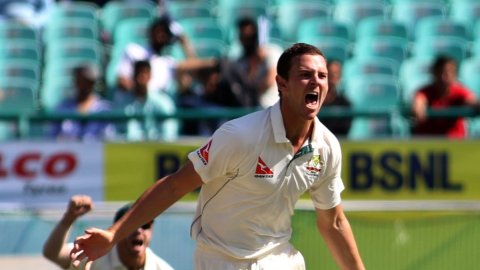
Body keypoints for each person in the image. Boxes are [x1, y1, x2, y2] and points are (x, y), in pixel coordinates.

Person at [70, 43, 365, 270]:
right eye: (305, 75)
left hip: (278, 258)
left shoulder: (327, 147)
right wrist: (114, 234)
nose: (316, 82)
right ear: (282, 84)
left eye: (322, 76)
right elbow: (174, 185)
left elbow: (334, 223)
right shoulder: (240, 135)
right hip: (221, 260)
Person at [43, 194, 174, 270]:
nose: (139, 230)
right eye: (131, 226)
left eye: (145, 226)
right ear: (117, 230)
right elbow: (53, 254)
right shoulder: (96, 253)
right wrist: (69, 218)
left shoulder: (161, 267)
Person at [411, 55, 478, 138]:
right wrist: (418, 107)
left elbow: (472, 101)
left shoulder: (460, 91)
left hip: (455, 144)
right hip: (429, 143)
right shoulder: (424, 92)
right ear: (435, 73)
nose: (445, 77)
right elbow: (419, 101)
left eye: (450, 72)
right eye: (441, 72)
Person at [114, 60, 179, 141]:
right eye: (138, 73)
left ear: (150, 76)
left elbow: (169, 132)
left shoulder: (163, 103)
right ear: (133, 76)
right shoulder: (123, 103)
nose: (141, 77)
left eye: (145, 73)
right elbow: (117, 131)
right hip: (129, 150)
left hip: (157, 149)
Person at [50, 63, 116, 141]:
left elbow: (109, 137)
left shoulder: (104, 109)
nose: (83, 85)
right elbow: (51, 137)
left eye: (87, 81)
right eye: (80, 80)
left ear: (93, 83)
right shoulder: (62, 107)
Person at [226, 16, 280, 108]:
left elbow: (270, 80)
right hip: (253, 110)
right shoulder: (239, 62)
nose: (248, 41)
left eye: (251, 37)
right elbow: (247, 89)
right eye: (244, 37)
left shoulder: (272, 52)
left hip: (273, 107)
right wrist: (255, 64)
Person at [320, 59, 352, 137]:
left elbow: (343, 131)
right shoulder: (312, 100)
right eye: (331, 73)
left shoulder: (345, 103)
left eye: (337, 74)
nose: (334, 77)